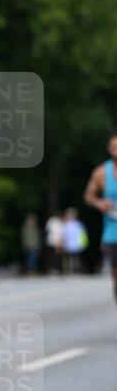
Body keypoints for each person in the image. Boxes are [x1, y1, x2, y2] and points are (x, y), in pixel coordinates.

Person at [84, 129, 117, 302]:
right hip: (112, 234)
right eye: (113, 147)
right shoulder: (101, 172)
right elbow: (88, 196)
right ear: (108, 149)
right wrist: (99, 203)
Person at [61, 207, 87, 275]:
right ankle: (71, 270)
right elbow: (64, 235)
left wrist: (83, 243)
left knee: (76, 258)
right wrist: (63, 243)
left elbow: (82, 235)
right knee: (70, 258)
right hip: (69, 244)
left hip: (77, 244)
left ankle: (75, 269)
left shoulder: (78, 224)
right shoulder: (66, 224)